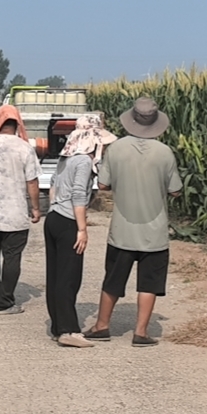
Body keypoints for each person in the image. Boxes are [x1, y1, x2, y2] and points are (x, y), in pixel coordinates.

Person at [84, 97, 182, 345]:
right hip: (155, 232)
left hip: (122, 230)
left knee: (113, 279)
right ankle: (141, 332)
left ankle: (102, 325)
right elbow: (175, 190)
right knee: (149, 282)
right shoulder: (165, 152)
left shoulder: (116, 149)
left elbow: (103, 184)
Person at [45, 112, 118, 347]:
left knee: (55, 275)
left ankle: (58, 325)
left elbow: (54, 185)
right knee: (69, 277)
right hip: (68, 221)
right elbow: (78, 194)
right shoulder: (84, 161)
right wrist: (82, 228)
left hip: (53, 217)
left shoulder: (66, 157)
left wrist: (56, 207)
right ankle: (68, 330)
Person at [0, 104, 41, 313]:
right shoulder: (24, 147)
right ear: (18, 124)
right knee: (12, 257)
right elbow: (32, 181)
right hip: (15, 214)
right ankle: (5, 302)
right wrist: (35, 208)